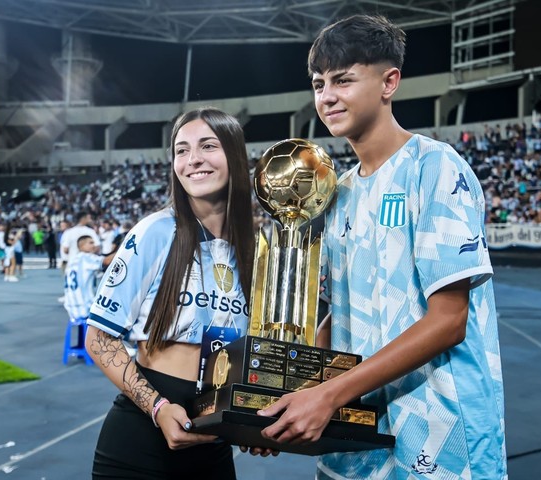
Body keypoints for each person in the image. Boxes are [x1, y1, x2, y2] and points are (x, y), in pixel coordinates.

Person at [257, 15, 507, 479]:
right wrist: (290, 397)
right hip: (357, 435)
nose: (327, 96)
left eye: (344, 80)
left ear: (389, 81)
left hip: (438, 431)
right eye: (318, 83)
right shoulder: (337, 192)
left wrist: (328, 395)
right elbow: (340, 315)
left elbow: (449, 321)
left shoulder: (434, 167)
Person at [85, 107, 269, 479]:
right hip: (140, 444)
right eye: (181, 150)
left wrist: (253, 415)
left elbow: (253, 351)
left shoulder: (258, 249)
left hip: (214, 443)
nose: (193, 160)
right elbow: (98, 337)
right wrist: (157, 407)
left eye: (207, 146)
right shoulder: (155, 232)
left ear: (234, 154)